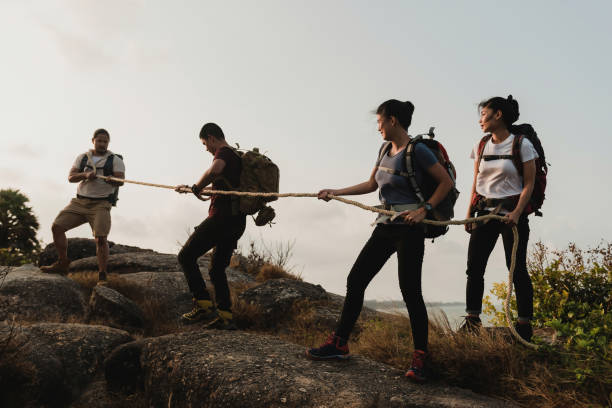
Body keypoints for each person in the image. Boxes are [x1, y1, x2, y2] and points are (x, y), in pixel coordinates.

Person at [306, 99, 453, 383]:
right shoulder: (385, 149)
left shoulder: (419, 151)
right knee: (356, 279)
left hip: (410, 229)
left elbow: (445, 183)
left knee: (410, 291)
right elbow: (372, 184)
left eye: (380, 121)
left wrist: (424, 210)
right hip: (386, 226)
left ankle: (420, 358)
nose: (378, 127)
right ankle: (339, 344)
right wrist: (336, 192)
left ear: (393, 120)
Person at [461, 95, 538, 342]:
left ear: (498, 115)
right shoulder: (481, 146)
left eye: (484, 114)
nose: (480, 120)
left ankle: (524, 326)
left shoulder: (522, 144)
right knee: (474, 268)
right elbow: (476, 182)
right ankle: (472, 320)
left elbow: (529, 184)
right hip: (484, 213)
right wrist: (468, 214)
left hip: (511, 217)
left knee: (516, 269)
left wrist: (517, 213)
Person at [175, 123, 246, 329]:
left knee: (186, 256)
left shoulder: (223, 153)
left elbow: (215, 170)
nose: (206, 148)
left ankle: (204, 306)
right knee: (216, 270)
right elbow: (222, 186)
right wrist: (191, 189)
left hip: (221, 219)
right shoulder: (237, 156)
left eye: (205, 143)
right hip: (237, 221)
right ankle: (225, 316)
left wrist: (197, 186)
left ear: (212, 138)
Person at [41, 128, 125, 283]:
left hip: (101, 204)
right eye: (99, 141)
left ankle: (102, 274)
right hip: (79, 202)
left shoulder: (115, 160)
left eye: (105, 141)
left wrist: (111, 179)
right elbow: (71, 177)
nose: (102, 144)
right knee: (57, 227)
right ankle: (62, 262)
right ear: (93, 141)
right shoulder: (83, 157)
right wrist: (85, 175)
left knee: (100, 239)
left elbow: (121, 180)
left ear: (108, 143)